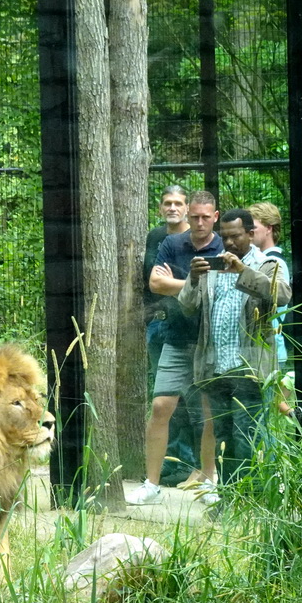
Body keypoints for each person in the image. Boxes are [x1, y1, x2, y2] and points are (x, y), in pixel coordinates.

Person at [179, 208, 292, 484]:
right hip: (216, 367)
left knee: (247, 438)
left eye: (236, 236)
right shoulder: (213, 265)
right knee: (223, 440)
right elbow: (187, 307)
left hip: (249, 367)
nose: (229, 243)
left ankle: (250, 500)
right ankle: (229, 498)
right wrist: (193, 278)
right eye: (225, 237)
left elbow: (283, 295)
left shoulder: (266, 264)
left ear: (252, 234)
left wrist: (243, 271)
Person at [127, 190, 222, 506]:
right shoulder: (171, 244)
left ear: (215, 217)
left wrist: (177, 283)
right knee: (160, 407)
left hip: (209, 341)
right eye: (194, 216)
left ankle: (210, 480)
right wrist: (194, 282)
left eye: (204, 217)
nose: (198, 222)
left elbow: (219, 288)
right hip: (176, 337)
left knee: (209, 412)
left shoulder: (221, 245)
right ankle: (151, 484)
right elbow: (156, 284)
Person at [143, 185, 197, 485]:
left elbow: (190, 284)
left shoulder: (196, 239)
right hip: (157, 323)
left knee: (188, 400)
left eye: (178, 203)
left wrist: (169, 283)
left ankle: (187, 463)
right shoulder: (156, 236)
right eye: (167, 203)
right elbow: (151, 280)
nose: (172, 208)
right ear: (160, 207)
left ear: (187, 207)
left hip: (185, 327)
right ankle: (168, 462)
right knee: (161, 399)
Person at [248, 202, 296, 417]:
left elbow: (279, 303)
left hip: (269, 347)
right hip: (263, 347)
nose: (249, 233)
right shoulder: (260, 260)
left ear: (269, 228)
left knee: (265, 413)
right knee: (268, 408)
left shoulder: (274, 262)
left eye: (254, 228)